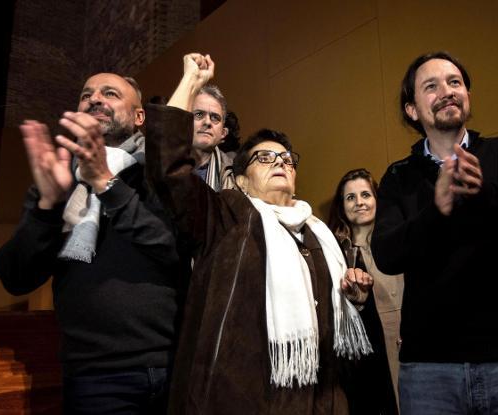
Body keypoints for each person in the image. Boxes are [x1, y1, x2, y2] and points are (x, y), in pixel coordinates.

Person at [145, 92, 375, 413]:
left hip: (315, 400)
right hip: (240, 399)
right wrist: (190, 82)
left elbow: (333, 333)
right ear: (241, 180)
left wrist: (355, 297)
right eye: (264, 158)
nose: (280, 162)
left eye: (286, 159)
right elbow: (168, 170)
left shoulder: (318, 234)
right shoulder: (223, 214)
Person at [371, 51, 498, 414]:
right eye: (431, 86)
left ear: (467, 96)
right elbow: (385, 253)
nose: (446, 91)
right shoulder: (399, 177)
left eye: (454, 82)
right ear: (412, 109)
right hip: (430, 371)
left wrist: (487, 195)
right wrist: (437, 211)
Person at [0, 73, 181, 414]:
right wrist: (47, 206)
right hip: (96, 378)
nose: (95, 99)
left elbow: (174, 251)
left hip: (174, 367)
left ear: (140, 117)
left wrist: (107, 185)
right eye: (86, 95)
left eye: (110, 93)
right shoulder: (58, 177)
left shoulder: (161, 174)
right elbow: (15, 276)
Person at [328, 168, 404, 413]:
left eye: (365, 195)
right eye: (350, 197)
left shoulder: (401, 241)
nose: (359, 202)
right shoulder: (335, 255)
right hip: (370, 369)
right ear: (342, 206)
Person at [167, 52, 236, 191]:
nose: (207, 122)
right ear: (185, 122)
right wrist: (190, 77)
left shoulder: (237, 172)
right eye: (199, 114)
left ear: (223, 133)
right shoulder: (162, 161)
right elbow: (165, 136)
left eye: (215, 117)